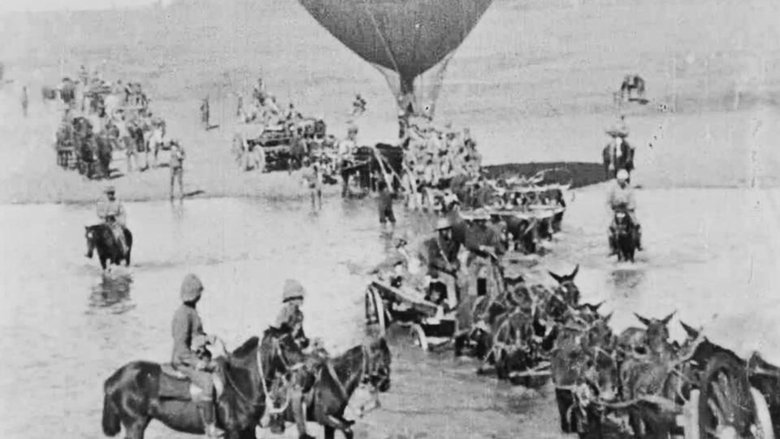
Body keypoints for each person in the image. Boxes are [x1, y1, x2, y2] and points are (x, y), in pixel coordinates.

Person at [171, 274, 224, 438]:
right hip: (183, 361)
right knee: (207, 382)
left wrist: (206, 339)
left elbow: (194, 336)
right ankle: (210, 426)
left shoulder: (191, 311)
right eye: (198, 293)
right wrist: (198, 363)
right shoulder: (183, 315)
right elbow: (181, 348)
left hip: (195, 356)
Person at [273, 279, 315, 439]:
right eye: (299, 297)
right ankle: (300, 431)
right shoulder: (284, 314)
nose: (301, 299)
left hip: (295, 352)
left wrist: (310, 342)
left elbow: (301, 337)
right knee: (294, 390)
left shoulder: (299, 315)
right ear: (291, 299)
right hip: (284, 355)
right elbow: (278, 337)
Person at [417, 217, 461, 311]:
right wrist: (445, 265)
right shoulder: (434, 242)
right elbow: (432, 259)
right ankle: (453, 306)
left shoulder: (454, 242)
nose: (446, 232)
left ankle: (459, 303)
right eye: (444, 230)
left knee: (462, 279)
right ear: (440, 231)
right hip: (435, 270)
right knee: (450, 279)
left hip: (448, 270)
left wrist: (455, 265)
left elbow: (454, 258)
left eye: (448, 229)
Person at [464, 208, 506, 297]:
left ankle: (490, 295)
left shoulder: (490, 231)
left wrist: (493, 249)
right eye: (479, 221)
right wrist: (480, 247)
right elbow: (469, 244)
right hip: (475, 257)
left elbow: (495, 244)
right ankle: (477, 296)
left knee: (491, 277)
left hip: (487, 257)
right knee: (475, 279)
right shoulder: (470, 230)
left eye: (483, 220)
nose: (481, 223)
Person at [607, 169, 642, 253]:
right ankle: (612, 247)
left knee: (637, 225)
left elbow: (632, 200)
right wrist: (612, 206)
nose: (621, 181)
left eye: (623, 180)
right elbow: (609, 200)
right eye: (620, 179)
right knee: (610, 227)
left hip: (627, 210)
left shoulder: (629, 188)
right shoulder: (613, 188)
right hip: (616, 210)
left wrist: (630, 207)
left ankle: (638, 243)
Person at [95, 186, 128, 256]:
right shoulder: (103, 203)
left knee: (119, 234)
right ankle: (92, 251)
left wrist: (115, 216)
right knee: (95, 234)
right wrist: (104, 215)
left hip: (114, 223)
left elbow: (122, 212)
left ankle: (124, 248)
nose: (110, 195)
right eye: (109, 193)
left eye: (112, 193)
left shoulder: (118, 202)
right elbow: (99, 212)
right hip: (105, 222)